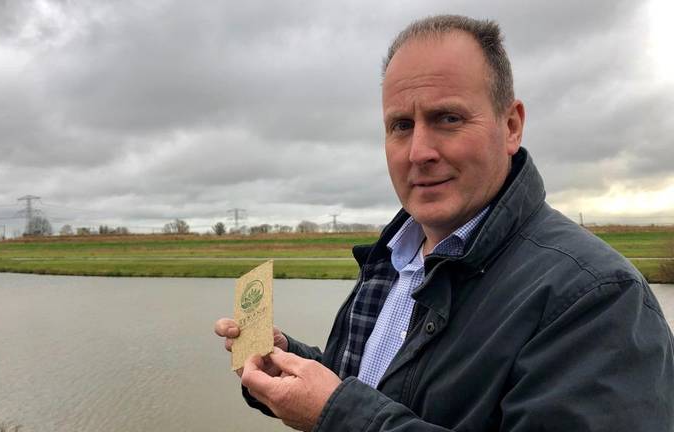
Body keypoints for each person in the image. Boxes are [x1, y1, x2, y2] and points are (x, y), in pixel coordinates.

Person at [214, 15, 674, 431]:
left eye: (447, 118)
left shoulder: (599, 299)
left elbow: (352, 412)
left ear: (511, 125)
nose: (419, 152)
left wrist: (335, 415)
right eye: (400, 126)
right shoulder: (393, 260)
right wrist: (292, 368)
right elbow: (375, 391)